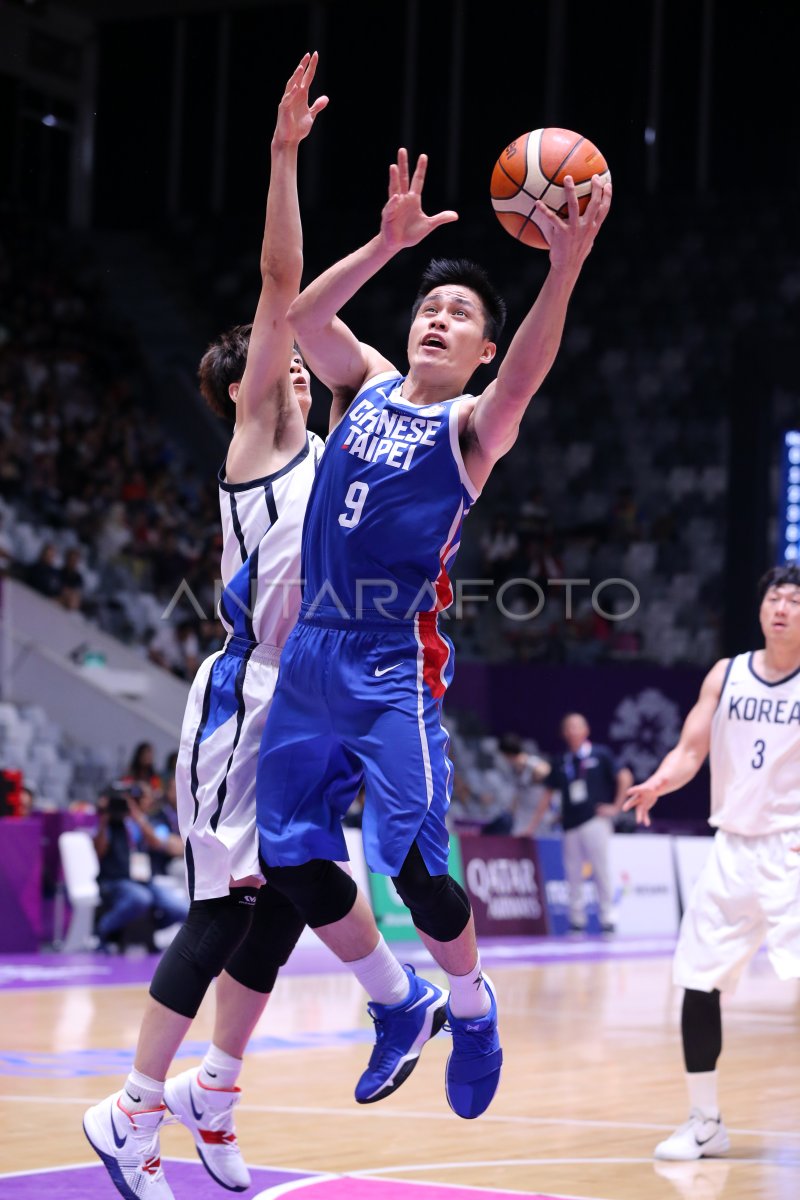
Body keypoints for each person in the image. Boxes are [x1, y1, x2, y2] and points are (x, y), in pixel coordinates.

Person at [83, 55, 403, 1200]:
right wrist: (282, 156)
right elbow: (284, 286)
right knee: (224, 909)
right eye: (273, 373)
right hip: (246, 696)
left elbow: (354, 355)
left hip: (313, 701)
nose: (295, 383)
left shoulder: (333, 457)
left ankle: (213, 1093)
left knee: (281, 896)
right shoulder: (255, 451)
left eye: (301, 380)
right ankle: (130, 1111)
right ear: (244, 391)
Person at [255, 148, 611, 1119]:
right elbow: (303, 319)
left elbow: (528, 376)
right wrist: (384, 243)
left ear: (480, 352)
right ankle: (398, 1000)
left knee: (415, 869)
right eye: (428, 307)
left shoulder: (469, 428)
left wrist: (564, 266)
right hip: (310, 653)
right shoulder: (361, 385)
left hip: (388, 661)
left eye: (458, 316)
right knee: (289, 856)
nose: (436, 318)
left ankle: (471, 1002)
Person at [623, 564, 800, 1162]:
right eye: (774, 597)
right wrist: (659, 783)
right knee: (697, 983)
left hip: (794, 852)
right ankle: (705, 1122)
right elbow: (690, 748)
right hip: (731, 850)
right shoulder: (726, 675)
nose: (781, 607)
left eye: (795, 600)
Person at [528, 713, 632, 932]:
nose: (573, 731)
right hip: (569, 824)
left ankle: (608, 918)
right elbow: (548, 793)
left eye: (577, 727)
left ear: (586, 731)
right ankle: (577, 920)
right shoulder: (562, 761)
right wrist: (532, 825)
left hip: (595, 820)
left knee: (601, 870)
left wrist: (617, 806)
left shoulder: (600, 754)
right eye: (568, 727)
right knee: (572, 873)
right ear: (564, 733)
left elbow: (624, 776)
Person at [93, 782, 189, 949]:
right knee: (141, 898)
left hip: (144, 880)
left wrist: (136, 816)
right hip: (115, 880)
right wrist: (104, 819)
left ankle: (150, 931)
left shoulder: (142, 822)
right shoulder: (108, 825)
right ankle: (102, 929)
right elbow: (99, 853)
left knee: (181, 909)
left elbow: (156, 843)